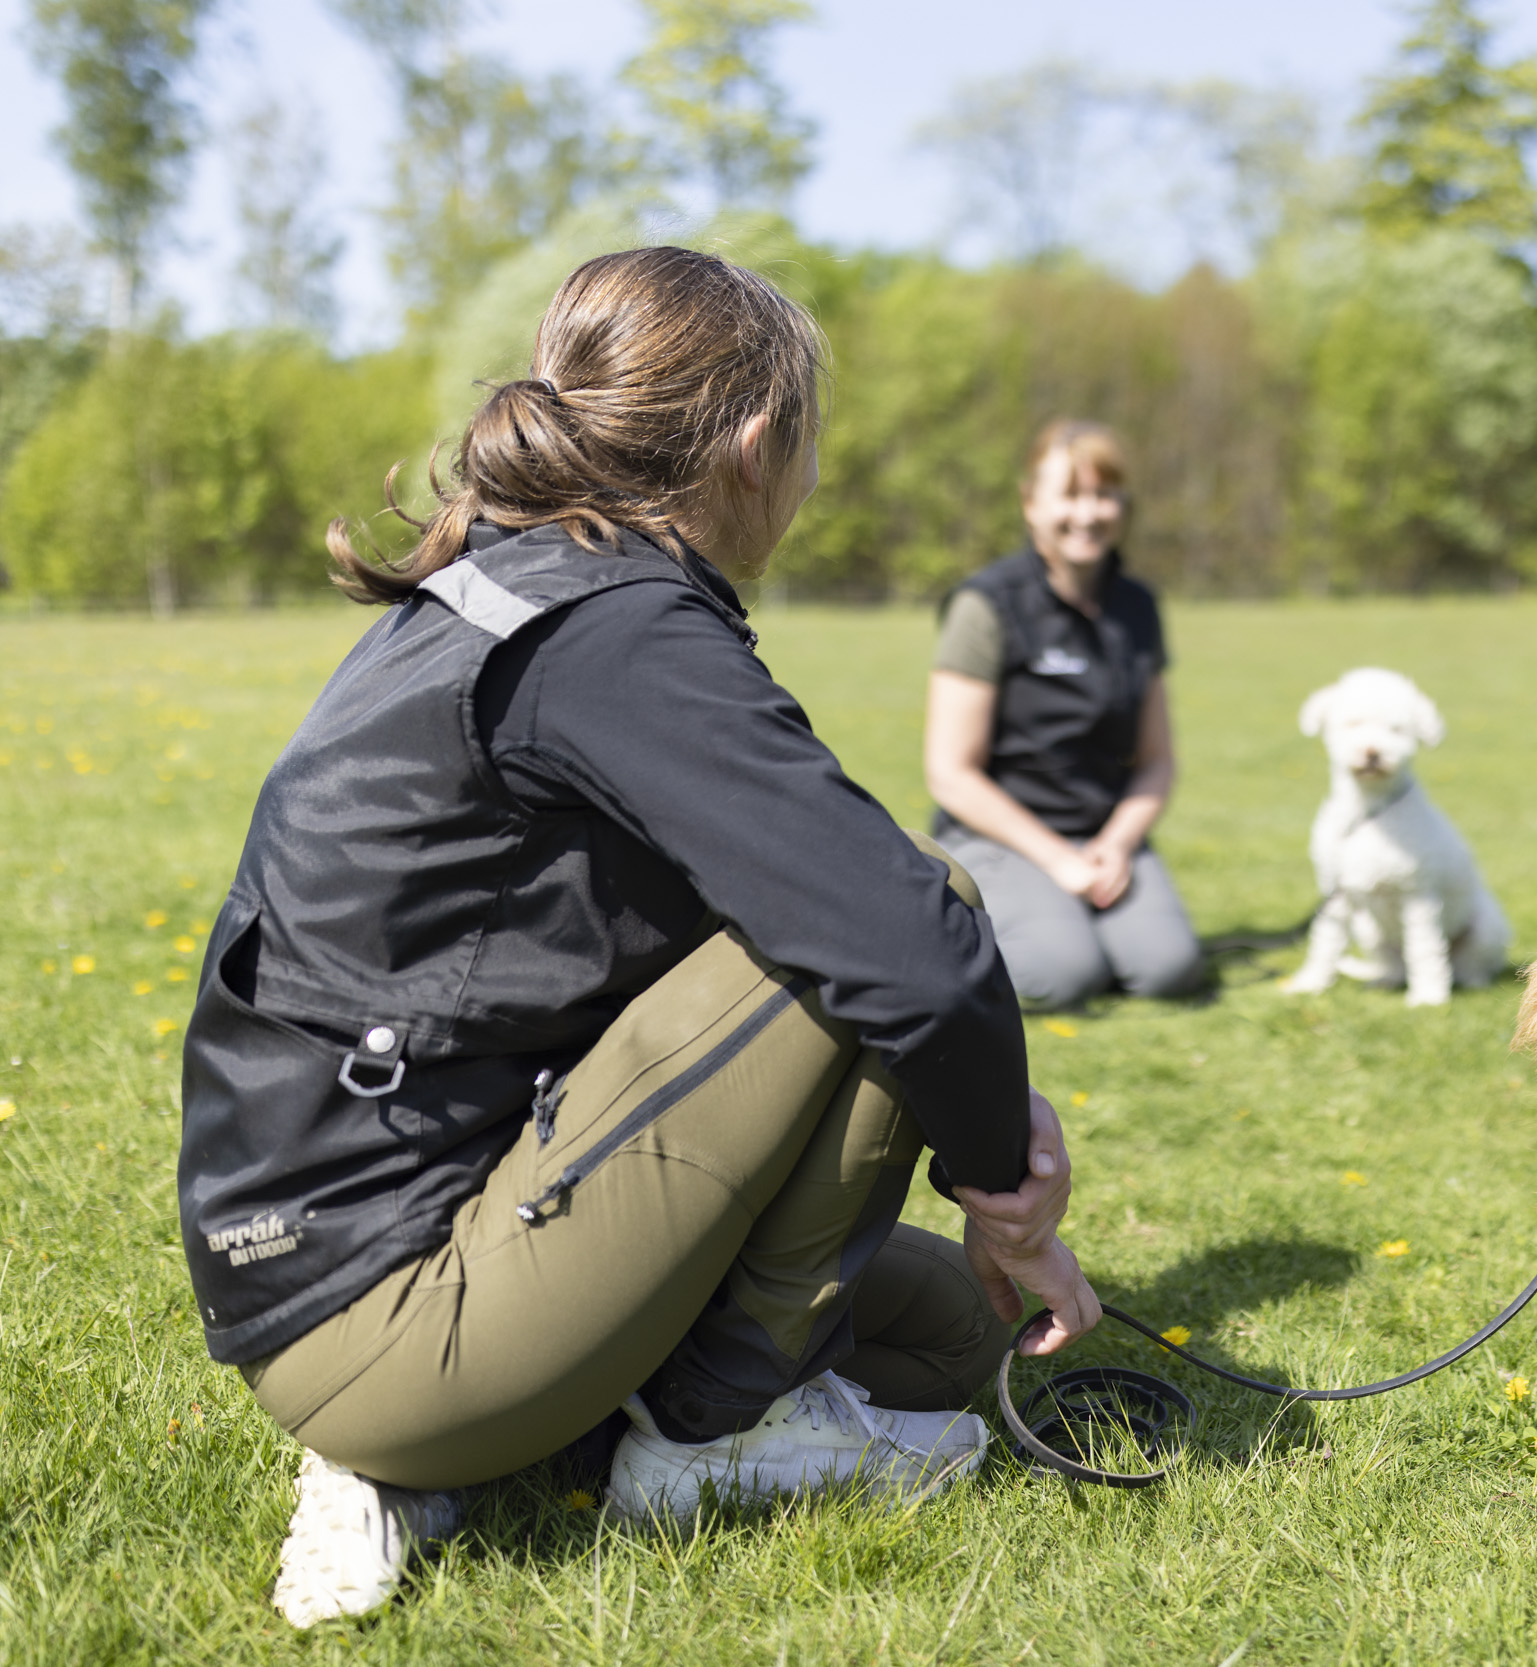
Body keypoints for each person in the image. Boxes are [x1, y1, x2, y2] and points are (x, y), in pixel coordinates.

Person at [176, 247, 1101, 1628]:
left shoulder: (521, 580)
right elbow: (910, 945)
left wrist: (984, 1118)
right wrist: (1005, 1186)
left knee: (949, 1335)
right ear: (754, 444)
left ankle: (487, 1447)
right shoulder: (611, 625)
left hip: (348, 1248)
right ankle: (702, 1434)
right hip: (382, 1306)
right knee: (925, 904)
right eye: (811, 442)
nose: (811, 478)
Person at [922, 422, 1204, 1010]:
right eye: (1070, 495)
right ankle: (961, 931)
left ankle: (1080, 930)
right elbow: (950, 773)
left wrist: (1117, 845)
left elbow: (1156, 761)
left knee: (1170, 970)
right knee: (1063, 975)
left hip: (1102, 838)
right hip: (998, 836)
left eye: (1104, 495)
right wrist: (1059, 860)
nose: (1088, 513)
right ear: (1031, 503)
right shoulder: (985, 606)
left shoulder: (1139, 608)